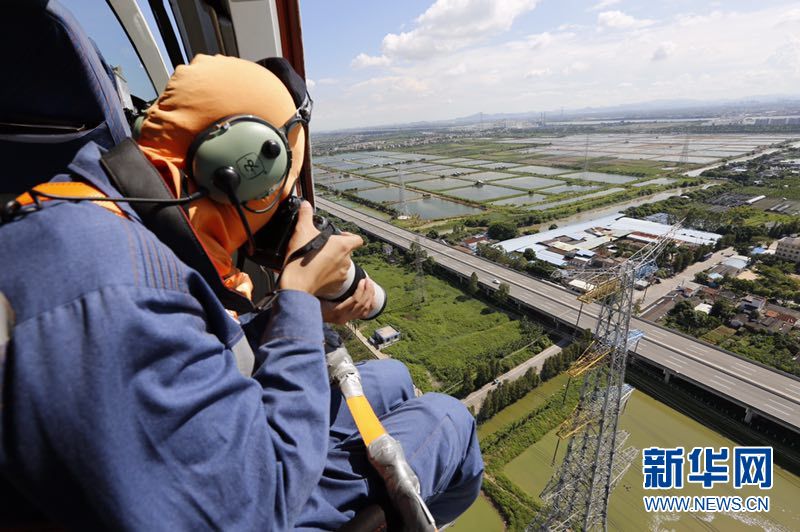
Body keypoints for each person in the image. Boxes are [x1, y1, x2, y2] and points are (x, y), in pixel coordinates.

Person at [0, 54, 482, 530]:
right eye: (282, 192)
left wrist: (294, 314)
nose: (285, 211)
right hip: (252, 498)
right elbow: (253, 504)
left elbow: (189, 341)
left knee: (394, 376)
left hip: (203, 452)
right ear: (238, 169)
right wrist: (297, 297)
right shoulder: (111, 291)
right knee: (448, 419)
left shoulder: (100, 213)